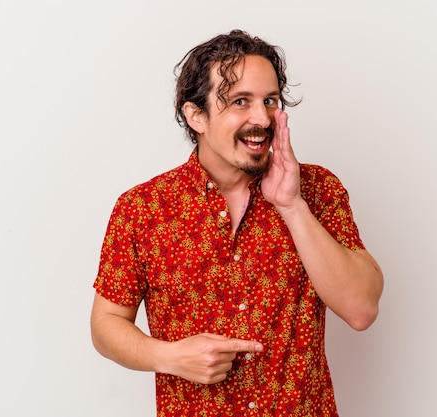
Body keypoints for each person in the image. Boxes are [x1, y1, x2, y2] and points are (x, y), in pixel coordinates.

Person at [90, 29, 384, 417]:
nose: (261, 118)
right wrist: (170, 356)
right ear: (196, 115)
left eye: (270, 101)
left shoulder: (318, 190)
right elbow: (106, 324)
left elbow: (361, 309)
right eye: (240, 102)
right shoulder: (142, 209)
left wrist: (292, 206)